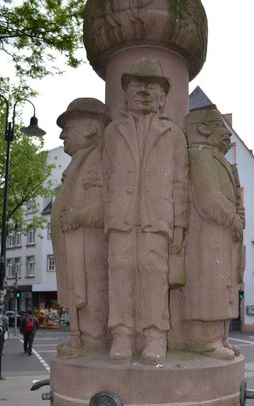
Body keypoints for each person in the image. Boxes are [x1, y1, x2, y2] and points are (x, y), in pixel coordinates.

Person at [102, 57, 189, 364]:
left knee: (154, 274)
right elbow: (106, 176)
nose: (144, 91)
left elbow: (180, 183)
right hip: (121, 216)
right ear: (125, 93)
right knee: (120, 272)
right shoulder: (113, 132)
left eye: (152, 86)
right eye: (137, 85)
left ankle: (155, 335)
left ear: (163, 96)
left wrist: (179, 227)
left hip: (157, 217)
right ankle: (122, 334)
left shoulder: (173, 133)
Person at [179, 106, 245, 359]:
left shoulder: (218, 160)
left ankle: (220, 337)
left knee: (224, 285)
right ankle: (203, 341)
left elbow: (232, 198)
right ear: (203, 128)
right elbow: (208, 197)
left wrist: (238, 218)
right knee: (208, 284)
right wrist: (232, 218)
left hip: (223, 234)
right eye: (222, 129)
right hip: (207, 233)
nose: (227, 136)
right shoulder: (199, 155)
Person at [52, 98, 111, 357]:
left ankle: (93, 340)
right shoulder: (81, 159)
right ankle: (82, 339)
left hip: (90, 243)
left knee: (93, 288)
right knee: (80, 288)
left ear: (90, 127)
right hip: (75, 242)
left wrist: (79, 217)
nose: (63, 134)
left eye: (69, 127)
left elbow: (108, 204)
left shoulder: (100, 158)